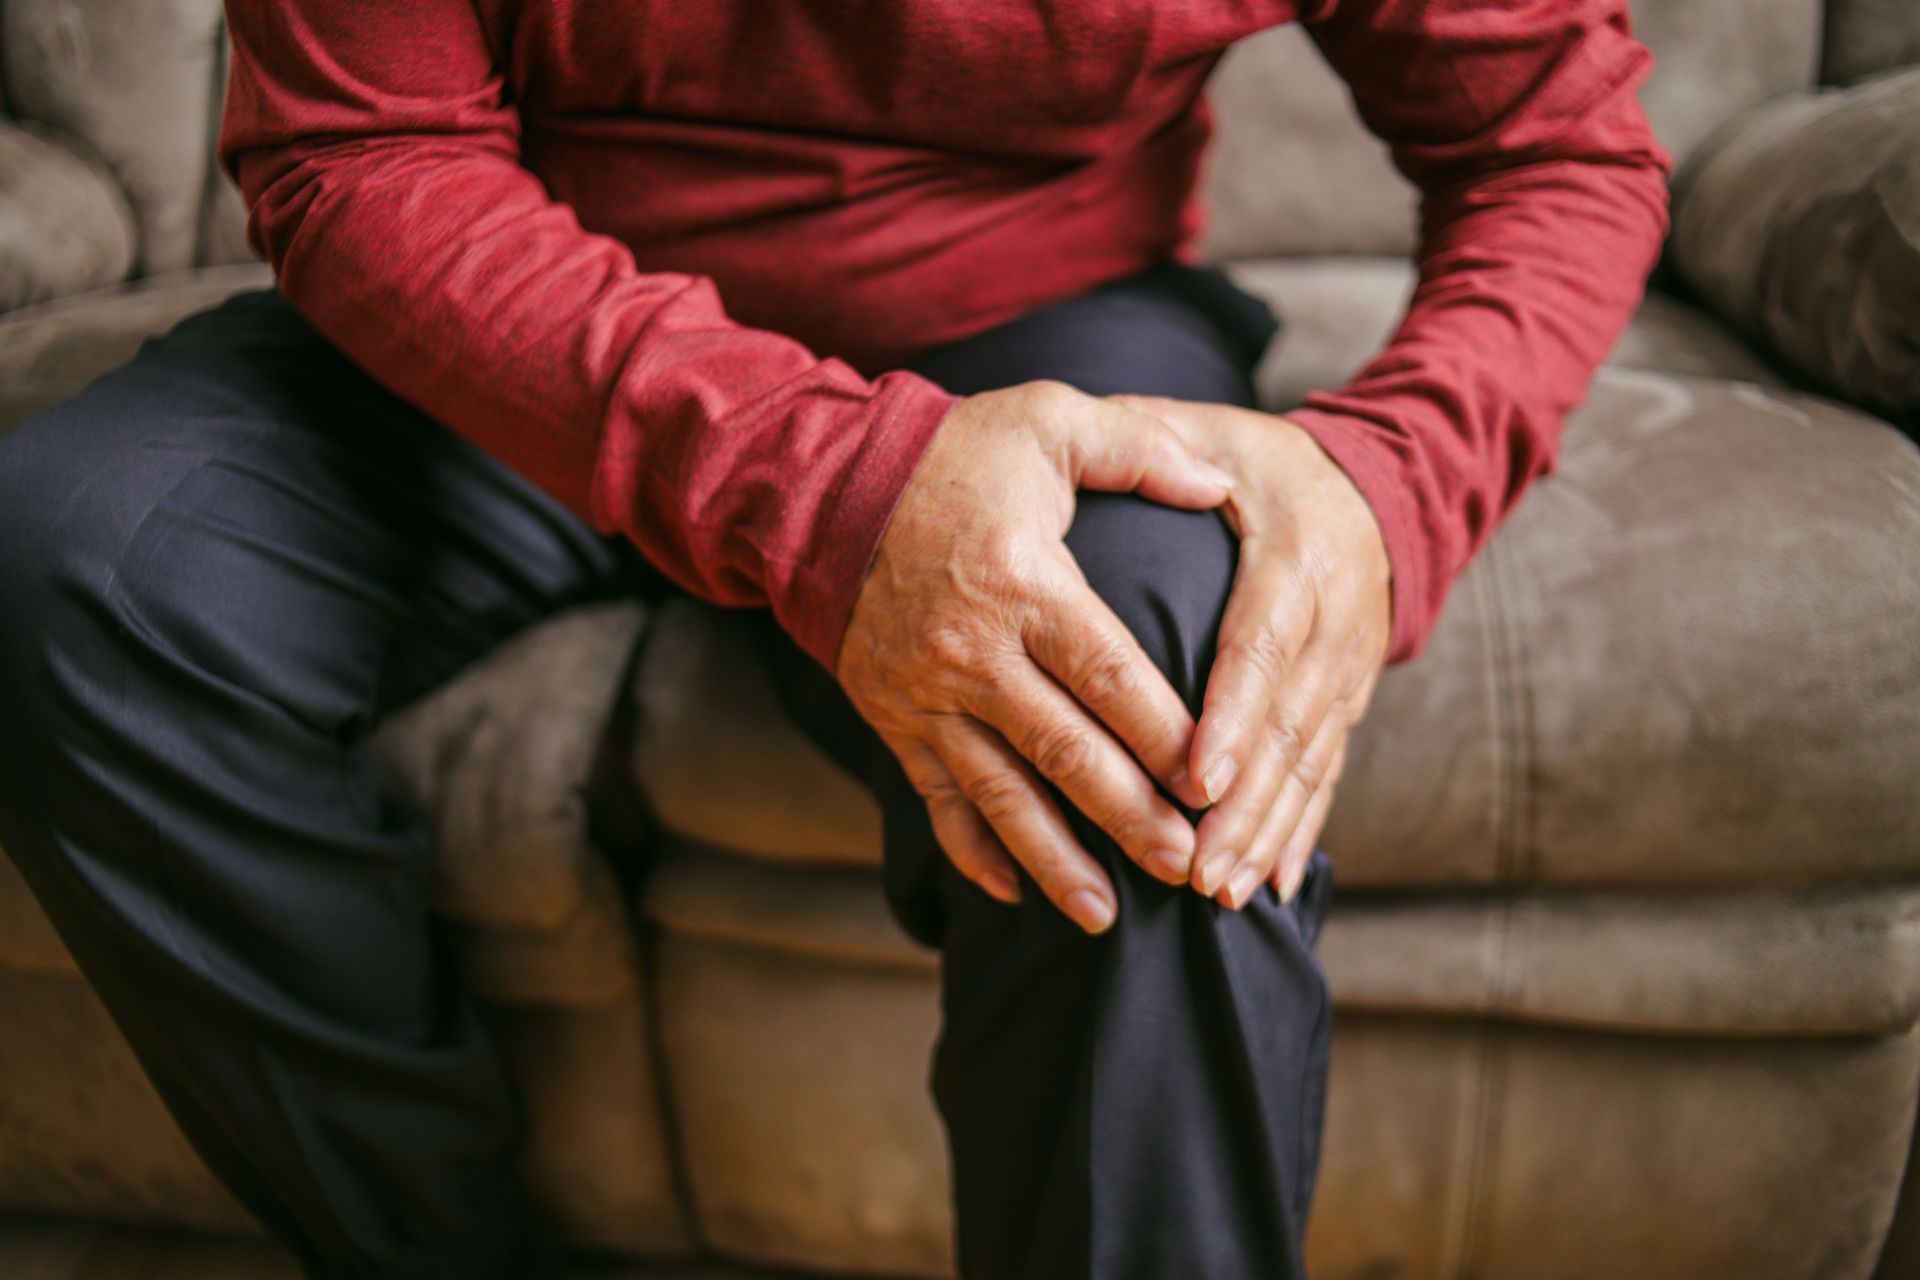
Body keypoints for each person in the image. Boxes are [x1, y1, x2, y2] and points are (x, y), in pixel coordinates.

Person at [0, 2, 1670, 1276]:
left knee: (1162, 678)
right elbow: (356, 147)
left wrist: (1392, 485)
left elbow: (1559, 141)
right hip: (496, 317)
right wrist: (833, 489)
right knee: (71, 564)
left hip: (1016, 327)